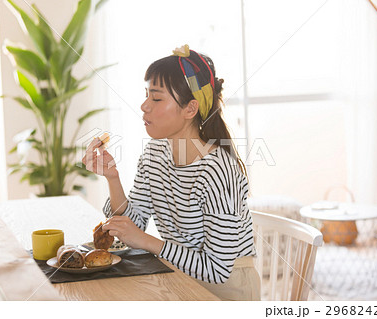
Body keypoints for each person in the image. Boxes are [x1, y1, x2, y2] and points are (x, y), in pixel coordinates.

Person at [82, 45, 260, 300]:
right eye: (146, 95)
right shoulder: (155, 153)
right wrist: (112, 177)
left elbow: (218, 269)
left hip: (226, 290)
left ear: (190, 109)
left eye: (156, 98)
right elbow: (135, 224)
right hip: (176, 277)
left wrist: (147, 241)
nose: (144, 106)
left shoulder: (219, 171)